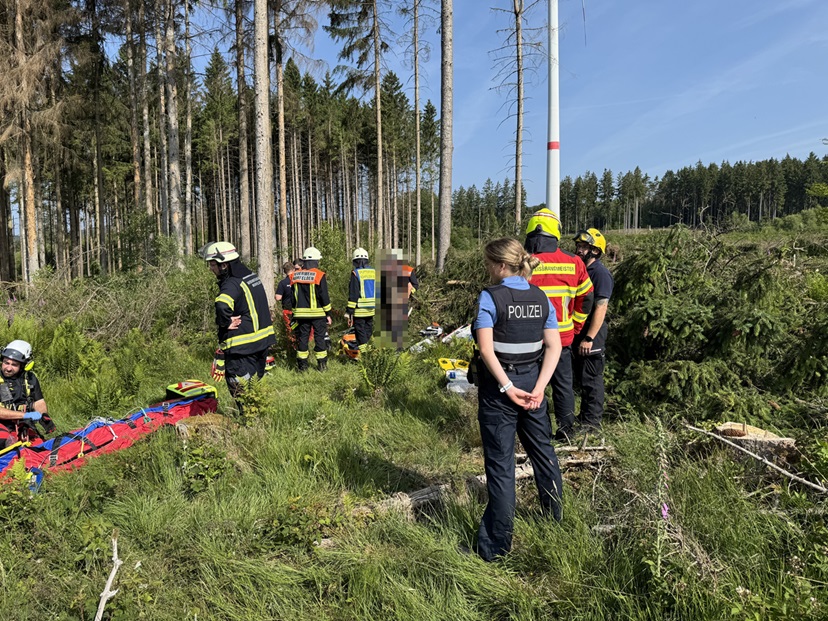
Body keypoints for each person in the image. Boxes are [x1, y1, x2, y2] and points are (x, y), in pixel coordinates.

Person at [473, 238, 563, 562]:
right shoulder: (541, 297)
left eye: (487, 263)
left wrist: (508, 387)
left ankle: (495, 549)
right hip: (533, 384)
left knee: (501, 467)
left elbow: (486, 349)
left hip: (502, 389)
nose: (487, 269)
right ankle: (555, 521)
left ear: (500, 265)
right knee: (544, 454)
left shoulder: (490, 296)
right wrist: (539, 387)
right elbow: (553, 346)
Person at [524, 208, 594, 443]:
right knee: (563, 386)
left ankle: (537, 433)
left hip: (528, 341)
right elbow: (587, 298)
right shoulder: (574, 262)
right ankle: (566, 431)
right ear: (556, 233)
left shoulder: (523, 262)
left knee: (533, 386)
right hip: (562, 338)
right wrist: (575, 326)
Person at [202, 241, 276, 412]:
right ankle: (257, 415)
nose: (211, 269)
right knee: (254, 382)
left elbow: (222, 304)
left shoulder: (231, 283)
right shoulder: (250, 276)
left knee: (238, 384)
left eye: (213, 264)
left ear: (224, 265)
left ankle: (246, 418)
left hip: (243, 346)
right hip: (261, 341)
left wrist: (225, 322)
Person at [573, 228, 614, 432]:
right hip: (580, 332)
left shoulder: (600, 273)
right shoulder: (582, 270)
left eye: (584, 247)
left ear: (596, 251)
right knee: (582, 377)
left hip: (592, 335)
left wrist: (589, 337)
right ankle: (584, 417)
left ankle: (592, 424)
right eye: (579, 246)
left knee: (591, 378)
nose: (579, 250)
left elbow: (601, 307)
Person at [0, 340, 56, 448]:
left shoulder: (30, 379)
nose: (8, 368)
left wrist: (44, 415)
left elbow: (39, 401)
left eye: (14, 365)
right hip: (3, 425)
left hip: (22, 426)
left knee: (42, 447)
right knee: (7, 443)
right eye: (6, 363)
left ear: (23, 365)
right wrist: (25, 415)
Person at [290, 246, 332, 371]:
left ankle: (302, 366)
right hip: (318, 314)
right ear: (315, 261)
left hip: (301, 315)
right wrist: (328, 313)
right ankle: (322, 366)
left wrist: (294, 313)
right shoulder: (319, 275)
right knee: (319, 338)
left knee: (303, 338)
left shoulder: (295, 276)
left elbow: (293, 297)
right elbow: (324, 296)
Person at [346, 247, 376, 355]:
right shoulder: (374, 272)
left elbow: (353, 294)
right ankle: (368, 351)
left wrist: (349, 311)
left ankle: (365, 354)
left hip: (360, 309)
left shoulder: (355, 273)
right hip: (372, 309)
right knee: (368, 330)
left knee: (360, 332)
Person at [275, 260, 299, 342]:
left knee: (290, 330)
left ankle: (291, 348)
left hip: (287, 310)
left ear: (285, 272)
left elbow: (278, 297)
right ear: (293, 269)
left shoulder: (283, 283)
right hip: (299, 310)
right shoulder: (299, 280)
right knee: (301, 329)